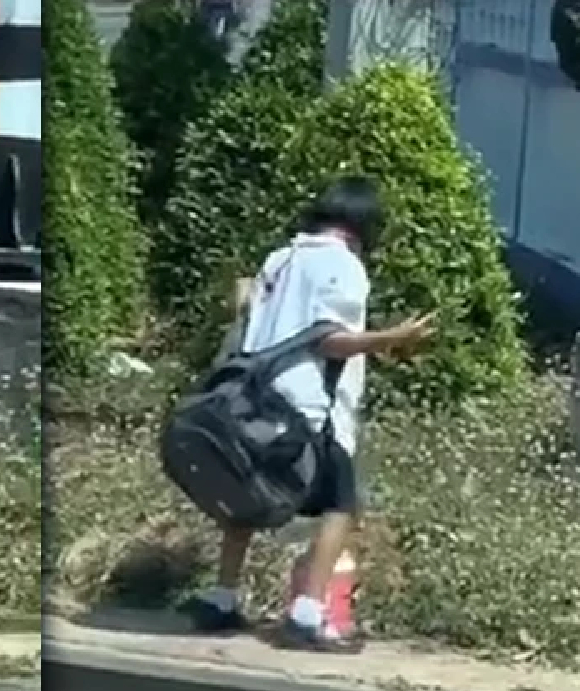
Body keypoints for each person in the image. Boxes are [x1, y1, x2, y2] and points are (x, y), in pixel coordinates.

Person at [180, 176, 436, 653]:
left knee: (246, 491)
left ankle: (221, 598)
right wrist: (392, 338)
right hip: (309, 407)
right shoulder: (344, 265)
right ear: (365, 223)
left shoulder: (281, 258)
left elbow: (250, 313)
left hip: (250, 397)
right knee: (342, 507)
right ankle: (307, 613)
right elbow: (329, 340)